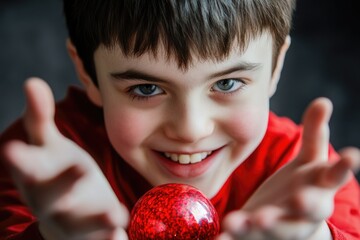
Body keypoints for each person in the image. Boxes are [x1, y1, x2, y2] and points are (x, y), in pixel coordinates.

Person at [0, 0, 359, 239]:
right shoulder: (49, 170)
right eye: (146, 89)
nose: (190, 129)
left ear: (275, 67)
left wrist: (313, 235)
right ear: (88, 72)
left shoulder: (305, 178)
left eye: (227, 83)